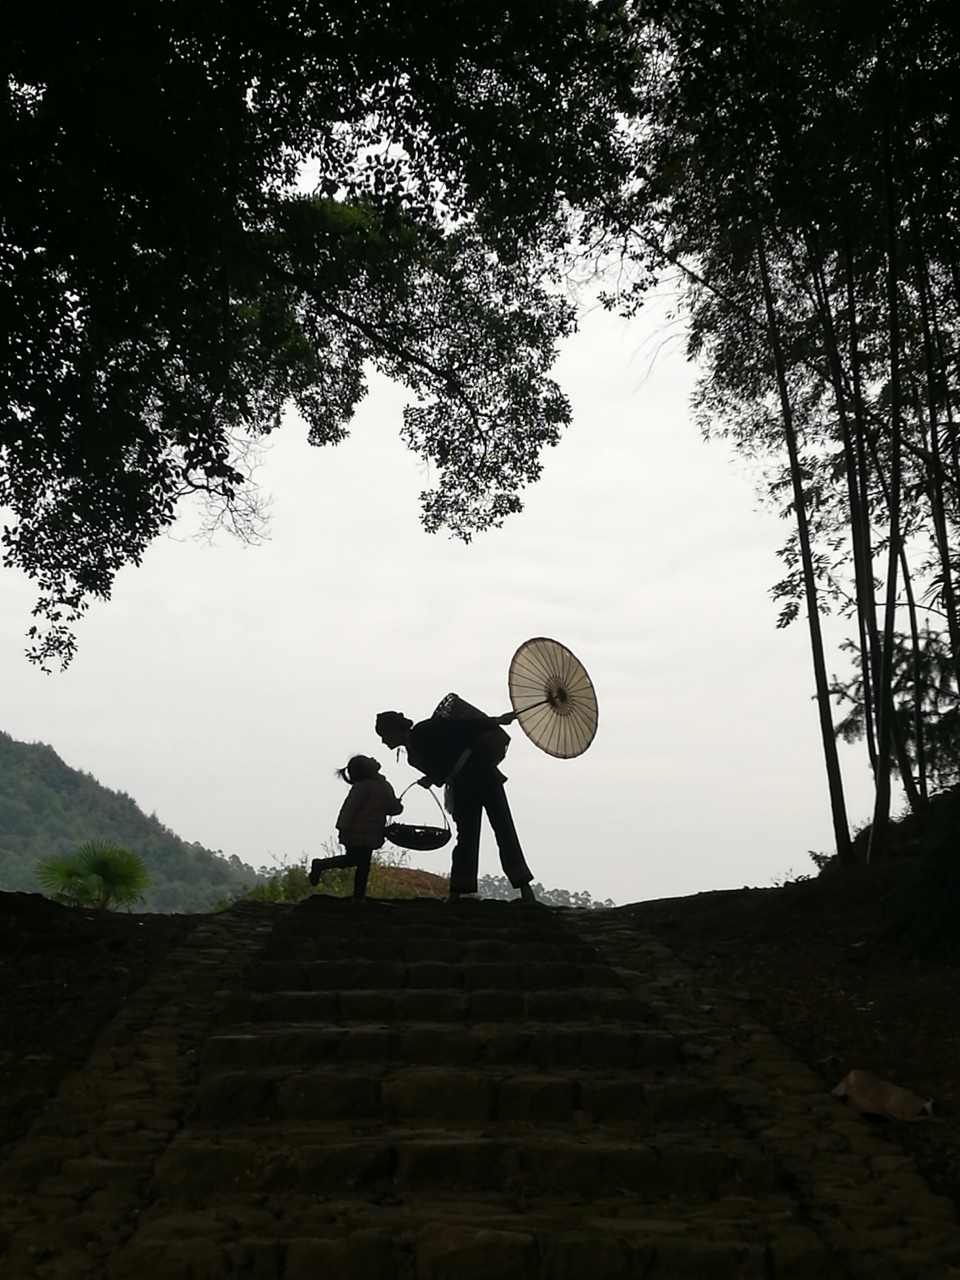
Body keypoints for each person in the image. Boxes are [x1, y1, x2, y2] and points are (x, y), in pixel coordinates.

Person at [375, 709, 536, 904]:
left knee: (503, 829)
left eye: (384, 735)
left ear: (394, 729)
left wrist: (496, 721)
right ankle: (458, 890)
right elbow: (443, 767)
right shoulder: (411, 752)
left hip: (482, 775)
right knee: (469, 836)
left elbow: (462, 727)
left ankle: (524, 890)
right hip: (462, 786)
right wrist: (431, 779)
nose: (384, 741)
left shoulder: (425, 729)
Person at [308, 755, 402, 902]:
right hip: (358, 832)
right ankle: (357, 896)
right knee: (360, 863)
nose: (373, 759)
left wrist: (396, 806)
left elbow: (391, 808)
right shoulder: (370, 786)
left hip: (368, 833)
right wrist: (343, 828)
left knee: (357, 861)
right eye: (369, 760)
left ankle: (355, 893)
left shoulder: (380, 785)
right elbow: (349, 809)